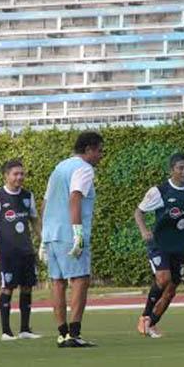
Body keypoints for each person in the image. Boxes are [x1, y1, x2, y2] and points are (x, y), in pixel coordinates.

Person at [135, 153, 184, 338]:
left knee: (170, 291)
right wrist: (144, 231)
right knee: (163, 279)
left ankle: (152, 323)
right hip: (159, 244)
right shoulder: (159, 191)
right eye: (180, 168)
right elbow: (138, 212)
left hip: (180, 247)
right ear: (172, 170)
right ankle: (145, 317)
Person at [40, 131, 104, 347]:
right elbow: (75, 197)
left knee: (57, 282)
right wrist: (78, 233)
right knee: (80, 279)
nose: (101, 156)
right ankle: (74, 334)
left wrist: (42, 236)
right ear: (88, 150)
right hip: (69, 233)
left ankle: (62, 333)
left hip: (51, 233)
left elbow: (45, 202)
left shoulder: (60, 166)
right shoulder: (84, 168)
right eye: (99, 151)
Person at [0, 159, 42, 341]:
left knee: (27, 288)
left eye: (22, 173)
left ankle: (25, 329)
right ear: (6, 176)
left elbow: (34, 220)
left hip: (27, 252)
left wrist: (43, 242)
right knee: (7, 288)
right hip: (8, 253)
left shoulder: (27, 195)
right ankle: (6, 332)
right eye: (15, 174)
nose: (19, 177)